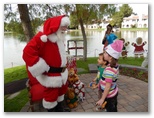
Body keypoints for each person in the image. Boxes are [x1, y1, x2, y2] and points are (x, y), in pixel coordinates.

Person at [22, 15, 70, 112]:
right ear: (55, 25)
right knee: (51, 98)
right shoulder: (42, 37)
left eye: (66, 26)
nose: (65, 29)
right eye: (63, 26)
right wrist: (41, 66)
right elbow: (27, 52)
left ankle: (60, 110)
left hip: (61, 74)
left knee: (60, 94)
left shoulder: (58, 37)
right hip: (51, 75)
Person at [96, 40, 123, 112]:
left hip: (109, 96)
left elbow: (107, 87)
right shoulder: (114, 65)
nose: (104, 53)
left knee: (111, 110)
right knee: (113, 108)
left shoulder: (109, 70)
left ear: (110, 57)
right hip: (113, 92)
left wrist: (102, 99)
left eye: (105, 53)